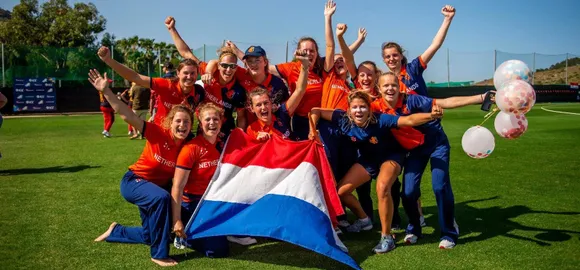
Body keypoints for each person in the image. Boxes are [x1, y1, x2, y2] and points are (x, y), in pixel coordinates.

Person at [309, 90, 443, 254]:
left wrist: (431, 115)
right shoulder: (343, 119)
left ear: (369, 109)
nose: (359, 111)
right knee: (340, 192)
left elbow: (408, 120)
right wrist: (312, 130)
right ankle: (364, 220)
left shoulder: (381, 119)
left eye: (363, 107)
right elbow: (315, 111)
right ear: (349, 110)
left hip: (391, 157)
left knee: (382, 187)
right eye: (355, 107)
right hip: (369, 160)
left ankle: (387, 237)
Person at [375, 71, 492, 249]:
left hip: (437, 144)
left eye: (393, 85)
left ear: (399, 87)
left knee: (440, 186)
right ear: (379, 88)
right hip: (415, 150)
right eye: (386, 85)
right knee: (409, 192)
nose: (390, 88)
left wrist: (482, 97)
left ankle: (449, 232)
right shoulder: (375, 106)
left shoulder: (411, 100)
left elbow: (445, 102)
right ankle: (414, 228)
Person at [90, 69, 193, 267]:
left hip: (155, 190)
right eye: (178, 121)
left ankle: (117, 232)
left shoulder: (189, 146)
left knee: (149, 234)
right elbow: (127, 115)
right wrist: (107, 92)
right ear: (170, 123)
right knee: (162, 198)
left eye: (186, 122)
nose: (182, 125)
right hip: (134, 182)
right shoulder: (157, 133)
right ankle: (159, 254)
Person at [171, 102, 230, 258]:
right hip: (192, 203)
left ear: (221, 121)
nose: (212, 123)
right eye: (208, 120)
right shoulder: (191, 149)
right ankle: (182, 236)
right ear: (201, 123)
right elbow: (177, 186)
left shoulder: (224, 144)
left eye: (216, 119)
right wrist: (176, 220)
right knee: (217, 250)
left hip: (214, 201)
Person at [97, 46, 204, 126]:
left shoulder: (199, 92)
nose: (189, 76)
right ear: (178, 73)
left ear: (197, 74)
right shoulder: (166, 84)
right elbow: (135, 77)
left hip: (182, 137)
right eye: (185, 73)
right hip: (160, 134)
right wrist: (108, 60)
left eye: (193, 73)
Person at [381, 5, 456, 96]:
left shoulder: (413, 68)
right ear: (383, 59)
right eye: (387, 56)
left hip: (424, 110)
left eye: (395, 55)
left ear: (401, 56)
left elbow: (435, 45)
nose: (391, 59)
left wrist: (447, 19)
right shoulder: (384, 80)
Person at [246, 50, 309, 141]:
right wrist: (257, 140)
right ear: (251, 109)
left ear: (271, 103)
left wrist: (304, 66)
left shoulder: (282, 114)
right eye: (258, 105)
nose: (263, 107)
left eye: (266, 103)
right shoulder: (252, 130)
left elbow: (300, 90)